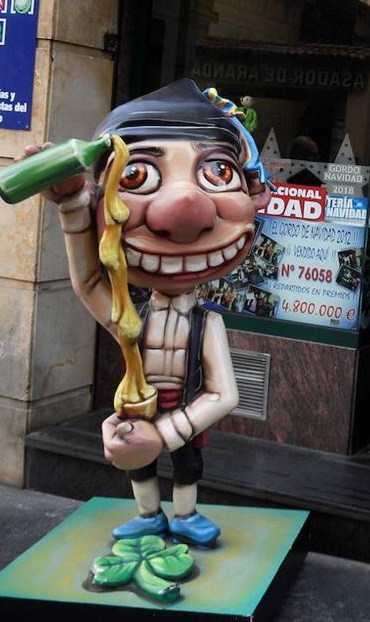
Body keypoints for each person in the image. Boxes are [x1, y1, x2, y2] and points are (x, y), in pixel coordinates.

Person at [17, 78, 272, 547]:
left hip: (182, 415)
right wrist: (72, 206)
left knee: (187, 464)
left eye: (217, 172)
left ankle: (186, 515)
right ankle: (149, 514)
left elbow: (224, 395)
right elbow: (88, 282)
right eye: (135, 176)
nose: (182, 213)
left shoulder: (207, 323)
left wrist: (169, 432)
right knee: (141, 467)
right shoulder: (130, 316)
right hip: (138, 407)